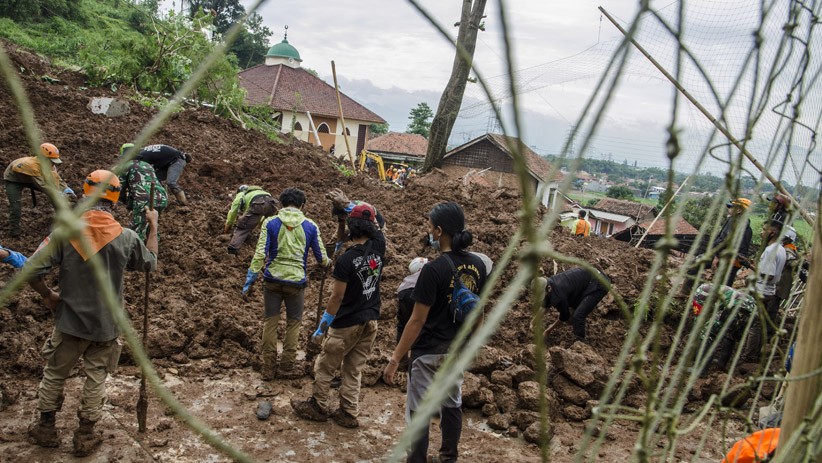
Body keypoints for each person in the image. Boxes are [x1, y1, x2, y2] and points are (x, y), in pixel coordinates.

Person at [25, 169, 158, 457]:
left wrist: (48, 295)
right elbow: (150, 264)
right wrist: (154, 226)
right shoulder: (127, 237)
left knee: (55, 374)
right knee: (96, 377)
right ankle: (85, 435)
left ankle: (46, 428)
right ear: (115, 200)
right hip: (106, 325)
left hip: (69, 321)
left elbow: (31, 271)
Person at [383, 202, 487, 463]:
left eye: (430, 228)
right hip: (456, 349)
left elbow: (416, 321)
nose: (428, 232)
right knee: (452, 403)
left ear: (439, 232)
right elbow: (478, 311)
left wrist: (395, 358)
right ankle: (448, 457)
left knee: (418, 411)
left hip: (428, 352)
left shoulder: (432, 270)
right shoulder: (478, 266)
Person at [291, 202, 385, 429]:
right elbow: (379, 221)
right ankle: (348, 412)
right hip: (370, 319)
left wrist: (323, 326)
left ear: (352, 226)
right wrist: (350, 209)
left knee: (325, 366)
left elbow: (337, 298)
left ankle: (319, 406)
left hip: (346, 324)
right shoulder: (378, 246)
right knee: (353, 369)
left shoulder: (345, 261)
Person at [244, 187, 331, 380]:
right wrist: (328, 264)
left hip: (272, 279)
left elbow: (260, 253)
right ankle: (286, 366)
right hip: (296, 282)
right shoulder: (311, 226)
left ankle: (268, 367)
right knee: (294, 324)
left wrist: (251, 276)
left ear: (281, 204)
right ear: (302, 205)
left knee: (270, 322)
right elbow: (321, 257)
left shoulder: (270, 222)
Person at [4, 143, 75, 237]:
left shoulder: (50, 166)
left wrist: (66, 189)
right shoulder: (31, 165)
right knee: (15, 207)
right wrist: (57, 193)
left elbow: (57, 180)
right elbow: (42, 185)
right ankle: (14, 232)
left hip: (33, 177)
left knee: (54, 193)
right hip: (14, 179)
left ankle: (63, 220)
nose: (53, 164)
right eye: (51, 161)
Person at [743, 222, 787, 362]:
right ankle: (755, 353)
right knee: (760, 324)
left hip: (761, 291)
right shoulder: (781, 249)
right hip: (769, 291)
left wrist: (749, 266)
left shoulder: (770, 250)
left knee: (754, 325)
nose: (762, 233)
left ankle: (749, 356)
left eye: (764, 230)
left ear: (772, 233)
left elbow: (769, 275)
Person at [692, 283, 757, 373]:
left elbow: (698, 317)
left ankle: (702, 370)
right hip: (752, 310)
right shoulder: (720, 290)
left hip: (738, 307)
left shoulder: (700, 293)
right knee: (731, 334)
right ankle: (721, 365)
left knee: (709, 334)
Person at [537, 267, 610, 342]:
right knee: (573, 312)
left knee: (578, 316)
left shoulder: (559, 296)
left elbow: (564, 317)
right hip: (588, 279)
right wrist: (533, 322)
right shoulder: (549, 283)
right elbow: (545, 305)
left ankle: (580, 343)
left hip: (600, 283)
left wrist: (548, 330)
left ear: (549, 288)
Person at [120, 143, 190, 205]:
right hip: (167, 162)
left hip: (177, 160)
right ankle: (162, 200)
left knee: (171, 182)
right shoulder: (143, 153)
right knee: (155, 180)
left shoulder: (142, 157)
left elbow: (139, 173)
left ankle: (183, 202)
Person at [118, 155, 168, 241]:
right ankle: (153, 248)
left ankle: (137, 251)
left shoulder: (127, 166)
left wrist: (124, 200)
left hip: (144, 198)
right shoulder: (147, 165)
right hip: (161, 197)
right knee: (152, 224)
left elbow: (119, 188)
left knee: (138, 229)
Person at [224, 185, 278, 254]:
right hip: (272, 203)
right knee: (271, 226)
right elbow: (262, 212)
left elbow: (233, 211)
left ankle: (232, 249)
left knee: (243, 226)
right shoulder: (261, 192)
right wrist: (260, 223)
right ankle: (274, 246)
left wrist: (228, 224)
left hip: (258, 204)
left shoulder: (241, 194)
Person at [774, 226, 799, 307]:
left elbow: (792, 263)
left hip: (779, 285)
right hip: (778, 285)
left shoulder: (787, 250)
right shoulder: (787, 249)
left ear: (787, 239)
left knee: (771, 308)